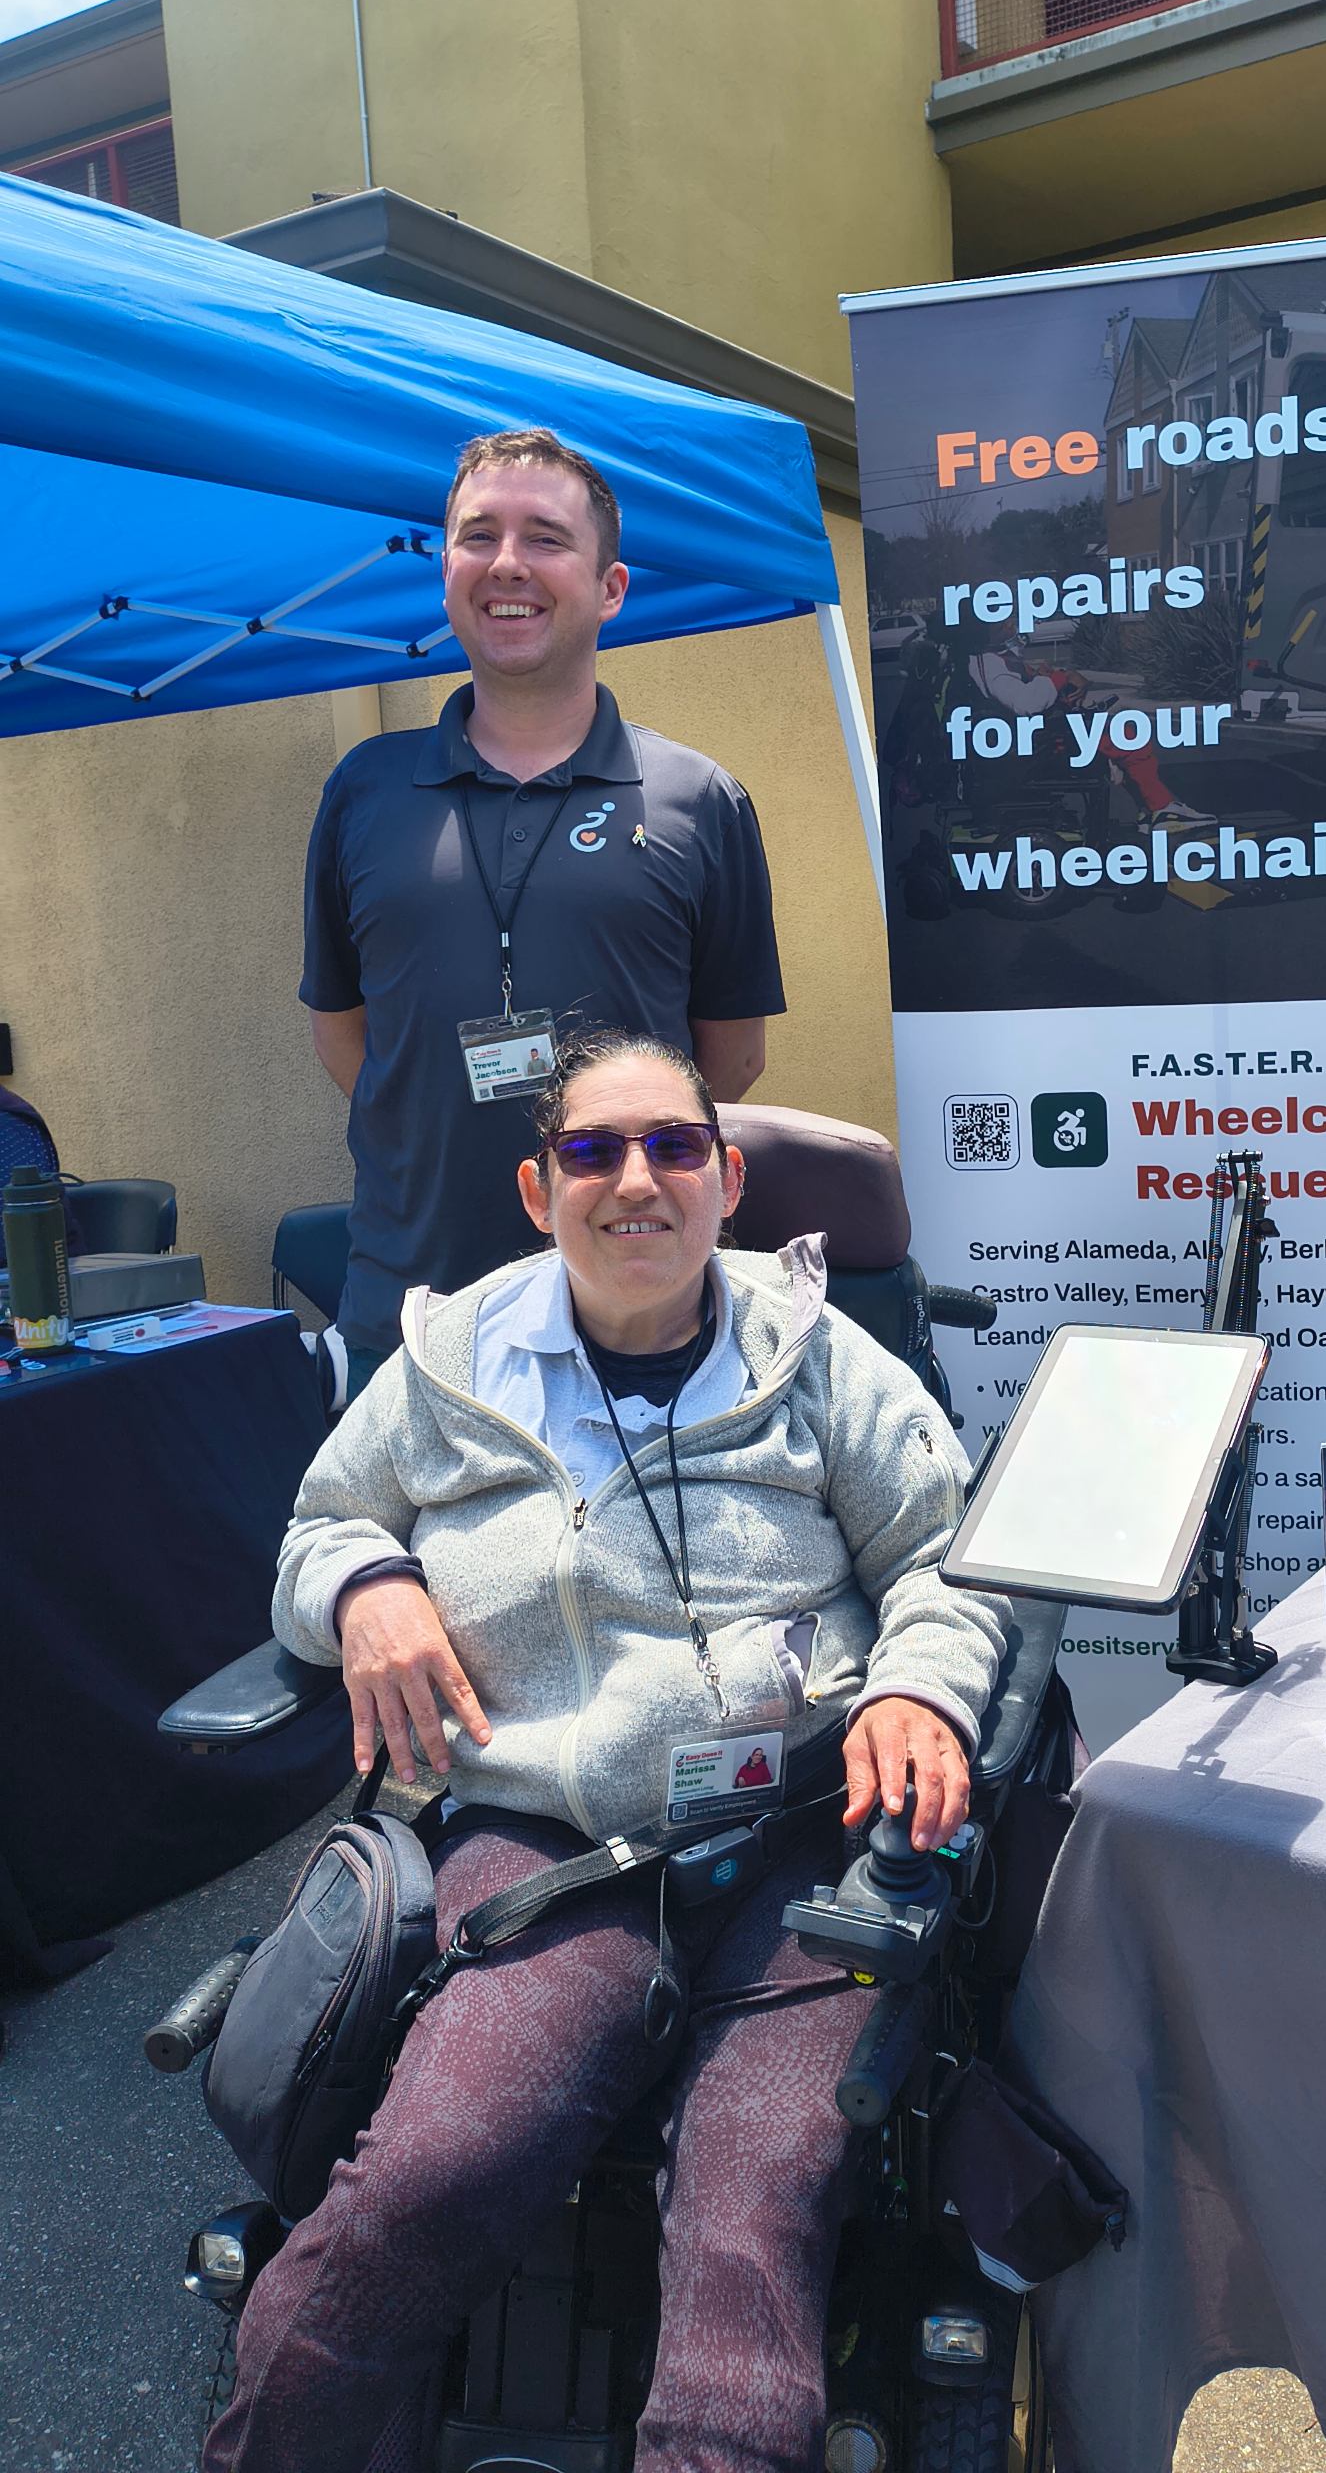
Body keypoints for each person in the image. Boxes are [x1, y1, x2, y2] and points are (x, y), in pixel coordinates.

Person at [205, 1029, 1009, 2473]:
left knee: (753, 2217)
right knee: (434, 2176)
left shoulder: (825, 1358)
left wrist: (920, 1694)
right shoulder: (449, 1366)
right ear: (537, 1188)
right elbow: (319, 1529)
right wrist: (364, 1588)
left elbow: (948, 1564)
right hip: (546, 1851)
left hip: (801, 1842)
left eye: (673, 1147)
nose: (635, 1180)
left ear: (727, 1179)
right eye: (593, 1151)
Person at [302, 428, 786, 1401]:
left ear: (610, 586)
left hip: (635, 1313)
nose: (507, 564)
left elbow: (726, 1059)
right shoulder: (365, 789)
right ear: (444, 570)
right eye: (477, 535)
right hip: (413, 1315)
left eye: (545, 537)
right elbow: (346, 1033)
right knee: (397, 1560)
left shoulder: (697, 798)